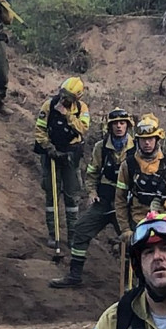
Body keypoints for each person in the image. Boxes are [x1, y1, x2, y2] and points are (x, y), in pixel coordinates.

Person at [49, 108, 134, 288]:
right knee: (81, 230)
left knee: (133, 241)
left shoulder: (137, 148)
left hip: (126, 205)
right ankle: (74, 275)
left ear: (128, 125)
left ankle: (133, 284)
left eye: (122, 123)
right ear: (109, 126)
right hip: (103, 201)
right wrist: (92, 193)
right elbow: (92, 173)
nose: (119, 127)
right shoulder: (101, 147)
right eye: (115, 124)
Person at [34, 76, 91, 249]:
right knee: (51, 195)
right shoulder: (49, 105)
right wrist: (48, 147)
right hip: (51, 155)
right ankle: (53, 234)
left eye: (68, 97)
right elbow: (39, 129)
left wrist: (68, 117)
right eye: (63, 94)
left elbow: (83, 128)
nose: (64, 99)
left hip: (70, 156)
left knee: (71, 196)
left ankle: (72, 235)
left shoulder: (82, 109)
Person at [115, 115, 166, 241]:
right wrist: (125, 229)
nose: (147, 143)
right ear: (137, 141)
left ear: (157, 139)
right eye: (143, 139)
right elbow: (120, 199)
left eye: (150, 138)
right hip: (139, 222)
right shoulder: (128, 165)